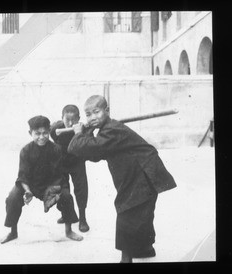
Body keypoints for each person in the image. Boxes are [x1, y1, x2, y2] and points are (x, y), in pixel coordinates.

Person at [67, 95, 177, 263]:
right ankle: (144, 249)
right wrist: (87, 132)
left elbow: (81, 147)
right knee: (141, 214)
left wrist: (78, 134)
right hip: (140, 174)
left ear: (107, 111)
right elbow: (96, 154)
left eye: (96, 112)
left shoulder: (113, 129)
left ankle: (126, 259)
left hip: (143, 174)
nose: (92, 117)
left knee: (127, 212)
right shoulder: (107, 130)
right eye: (88, 114)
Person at [0, 115, 83, 244]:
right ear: (30, 133)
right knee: (12, 198)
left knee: (67, 196)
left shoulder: (56, 149)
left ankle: (68, 230)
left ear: (49, 131)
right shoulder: (25, 151)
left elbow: (59, 175)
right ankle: (13, 232)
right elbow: (22, 176)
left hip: (51, 184)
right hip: (29, 185)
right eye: (37, 133)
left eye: (45, 133)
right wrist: (27, 191)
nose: (42, 137)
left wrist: (52, 190)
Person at [50, 105, 90, 232]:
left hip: (77, 161)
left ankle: (82, 219)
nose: (71, 123)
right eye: (67, 120)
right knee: (62, 190)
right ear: (62, 118)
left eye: (74, 120)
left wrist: (82, 131)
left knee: (81, 190)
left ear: (79, 118)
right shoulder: (55, 128)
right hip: (61, 162)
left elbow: (87, 144)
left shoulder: (83, 129)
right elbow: (53, 139)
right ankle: (67, 215)